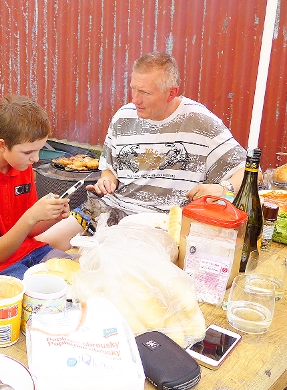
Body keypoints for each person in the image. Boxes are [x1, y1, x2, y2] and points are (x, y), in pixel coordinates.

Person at [40, 51, 248, 247]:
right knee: (43, 246)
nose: (135, 100)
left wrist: (224, 189)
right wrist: (107, 180)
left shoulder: (201, 122)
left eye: (145, 93)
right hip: (109, 209)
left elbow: (249, 171)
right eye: (133, 89)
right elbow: (109, 169)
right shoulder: (123, 117)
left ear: (171, 93)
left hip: (163, 225)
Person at [0, 95, 71, 285]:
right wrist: (32, 216)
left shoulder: (21, 165)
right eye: (28, 152)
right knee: (39, 291)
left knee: (75, 275)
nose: (35, 159)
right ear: (2, 145)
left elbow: (27, 231)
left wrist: (52, 216)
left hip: (26, 251)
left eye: (39, 150)